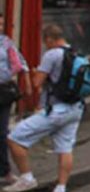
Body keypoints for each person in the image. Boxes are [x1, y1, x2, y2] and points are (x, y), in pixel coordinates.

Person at [5, 25, 84, 192]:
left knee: (15, 138)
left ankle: (27, 178)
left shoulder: (51, 55)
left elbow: (37, 83)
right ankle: (61, 187)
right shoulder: (76, 52)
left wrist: (35, 73)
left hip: (55, 110)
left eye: (45, 41)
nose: (45, 45)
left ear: (49, 39)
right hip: (75, 108)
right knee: (65, 148)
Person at [0, 15, 28, 187]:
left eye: (2, 23)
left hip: (3, 91)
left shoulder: (6, 42)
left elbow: (19, 64)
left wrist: (7, 75)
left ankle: (4, 171)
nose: (0, 26)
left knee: (2, 132)